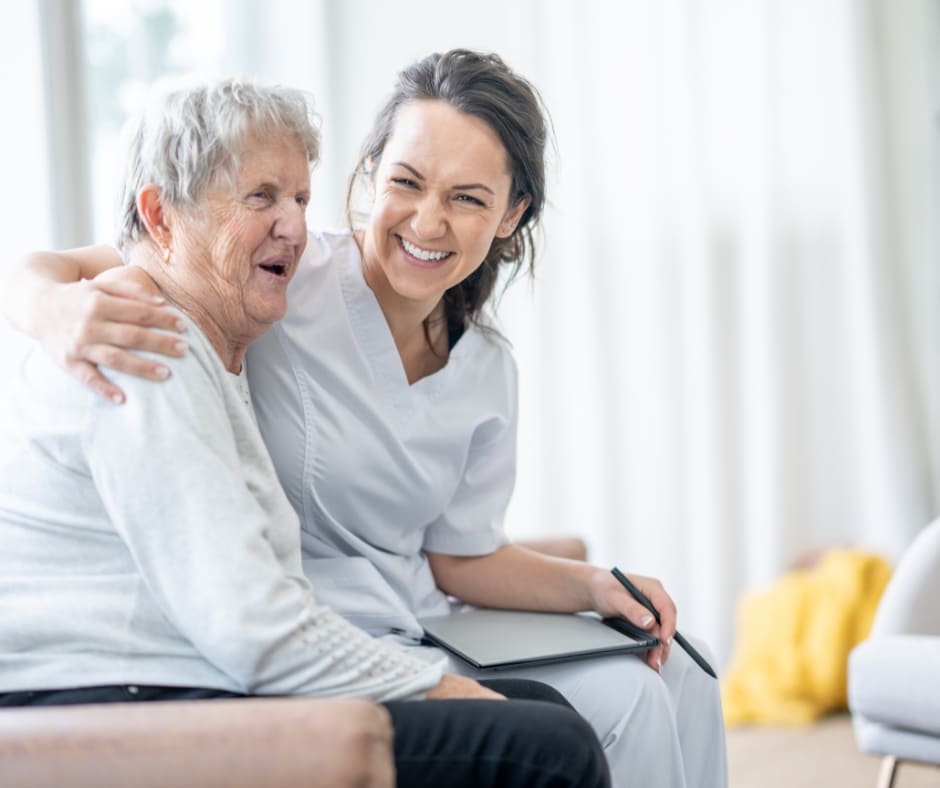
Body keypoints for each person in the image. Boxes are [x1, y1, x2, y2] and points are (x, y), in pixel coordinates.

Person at [2, 51, 727, 787]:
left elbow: (459, 554)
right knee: (580, 723)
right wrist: (43, 300)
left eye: (469, 198)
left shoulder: (473, 362)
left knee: (683, 675)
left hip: (403, 624)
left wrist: (594, 585)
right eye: (406, 182)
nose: (429, 220)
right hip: (280, 641)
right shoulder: (267, 285)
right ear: (373, 176)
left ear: (511, 216)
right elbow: (136, 254)